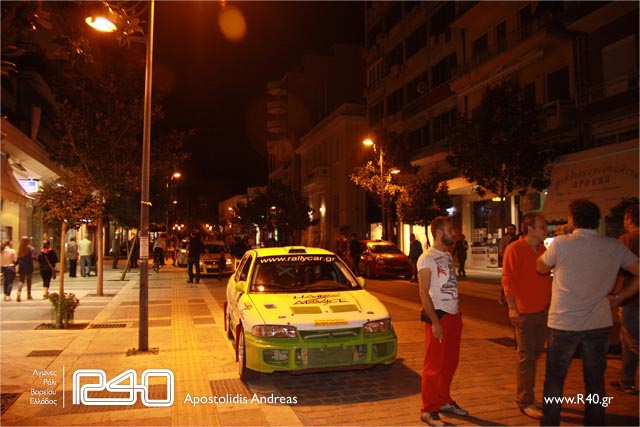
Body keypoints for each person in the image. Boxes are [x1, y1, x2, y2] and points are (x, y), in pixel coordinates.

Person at [537, 199, 639, 426]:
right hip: (599, 322)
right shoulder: (613, 246)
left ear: (573, 219)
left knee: (555, 379)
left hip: (564, 323)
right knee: (595, 380)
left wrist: (560, 237)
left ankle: (550, 422)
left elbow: (541, 267)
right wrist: (619, 297)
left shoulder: (562, 243)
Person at [417, 216, 468, 426]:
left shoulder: (447, 256)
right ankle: (428, 409)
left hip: (453, 316)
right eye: (450, 229)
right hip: (439, 316)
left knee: (449, 363)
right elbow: (423, 292)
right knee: (434, 365)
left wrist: (458, 313)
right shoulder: (426, 258)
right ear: (438, 232)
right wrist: (435, 322)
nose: (454, 233)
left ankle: (444, 400)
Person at [501, 214, 552, 419]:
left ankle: (527, 394)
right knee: (526, 357)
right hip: (524, 311)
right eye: (542, 227)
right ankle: (525, 400)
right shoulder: (514, 249)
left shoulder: (543, 250)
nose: (546, 230)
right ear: (530, 228)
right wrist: (512, 308)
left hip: (543, 310)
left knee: (536, 353)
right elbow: (507, 279)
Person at [610, 203, 639, 394]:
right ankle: (626, 379)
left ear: (629, 219)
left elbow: (618, 271)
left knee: (634, 341)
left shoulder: (626, 240)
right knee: (627, 339)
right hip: (632, 298)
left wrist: (615, 294)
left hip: (631, 298)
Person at [16, 236, 36, 302]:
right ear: (28, 241)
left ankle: (19, 293)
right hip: (29, 265)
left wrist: (15, 264)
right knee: (29, 280)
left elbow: (18, 258)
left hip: (22, 265)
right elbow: (33, 257)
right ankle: (29, 294)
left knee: (21, 280)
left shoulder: (20, 248)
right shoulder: (31, 248)